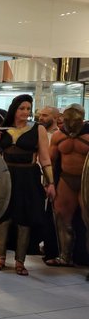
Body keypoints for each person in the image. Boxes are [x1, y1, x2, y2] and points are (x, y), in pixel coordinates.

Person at [0, 94, 55, 276]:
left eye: (28, 108)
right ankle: (0, 257)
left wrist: (50, 183)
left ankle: (20, 261)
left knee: (25, 219)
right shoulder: (3, 128)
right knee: (4, 218)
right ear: (14, 109)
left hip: (28, 176)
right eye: (22, 108)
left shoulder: (38, 129)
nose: (26, 112)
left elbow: (45, 158)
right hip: (6, 175)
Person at [47, 104, 89, 267]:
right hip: (66, 179)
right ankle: (65, 256)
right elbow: (50, 161)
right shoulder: (58, 136)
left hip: (86, 180)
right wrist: (49, 183)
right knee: (62, 216)